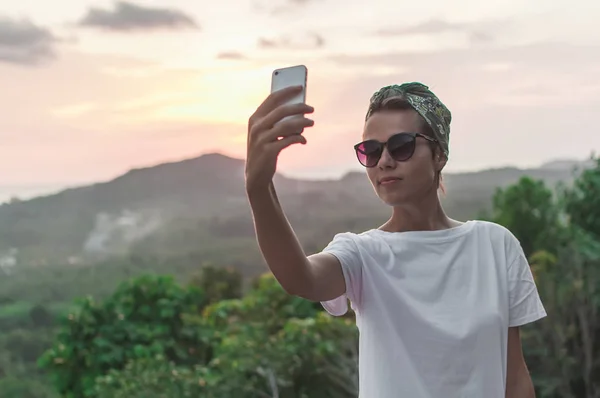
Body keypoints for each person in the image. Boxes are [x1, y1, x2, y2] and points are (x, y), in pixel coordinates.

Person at [244, 82, 546, 398]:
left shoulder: (496, 245)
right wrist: (259, 188)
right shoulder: (362, 254)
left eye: (401, 146)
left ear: (439, 154)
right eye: (371, 151)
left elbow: (515, 378)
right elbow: (300, 278)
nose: (384, 161)